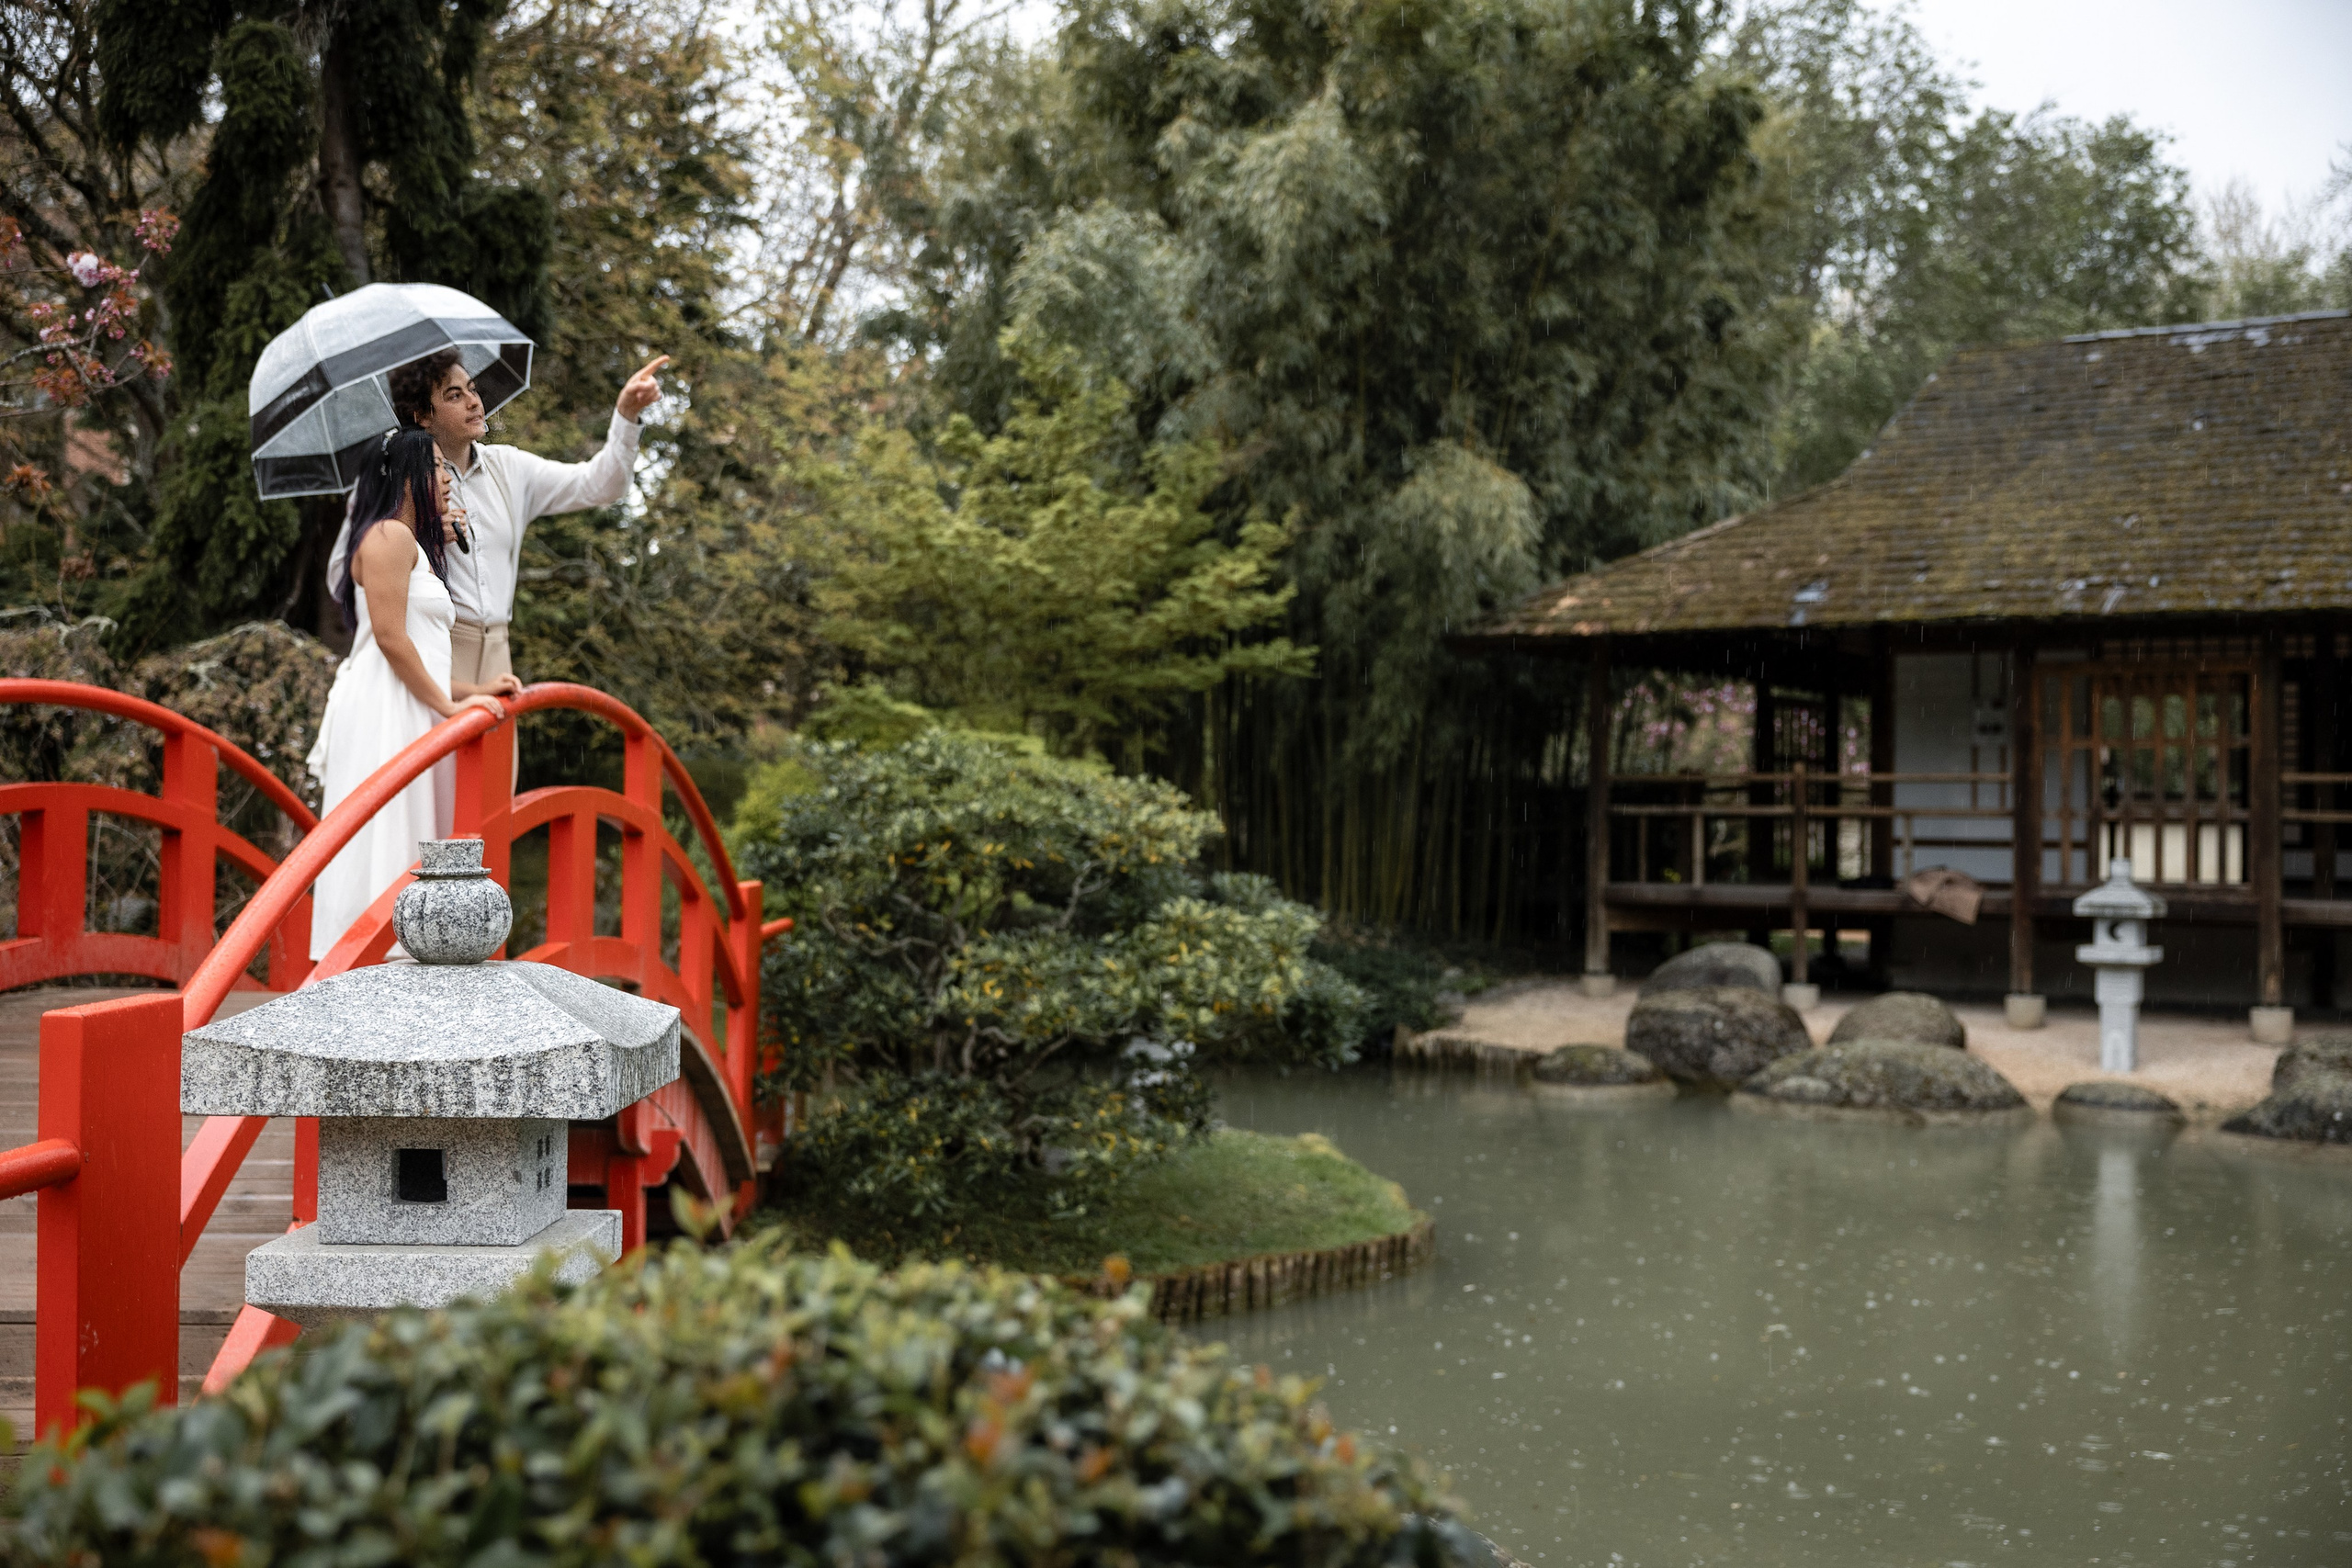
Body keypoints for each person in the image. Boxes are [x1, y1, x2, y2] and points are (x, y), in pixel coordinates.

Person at [329, 349, 669, 688]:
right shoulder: (390, 476)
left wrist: (626, 414)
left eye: (472, 389)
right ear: (422, 416)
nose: (474, 402)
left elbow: (601, 486)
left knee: (500, 743)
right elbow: (341, 574)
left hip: (499, 654)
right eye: (454, 395)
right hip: (432, 648)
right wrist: (417, 534)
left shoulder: (510, 467)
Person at [306, 430, 516, 960]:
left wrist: (472, 690)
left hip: (407, 697)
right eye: (439, 468)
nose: (448, 479)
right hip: (387, 707)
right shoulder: (387, 539)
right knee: (387, 833)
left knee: (411, 831)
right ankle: (365, 957)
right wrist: (447, 707)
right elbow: (391, 639)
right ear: (407, 477)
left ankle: (402, 958)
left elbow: (419, 651)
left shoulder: (407, 543)